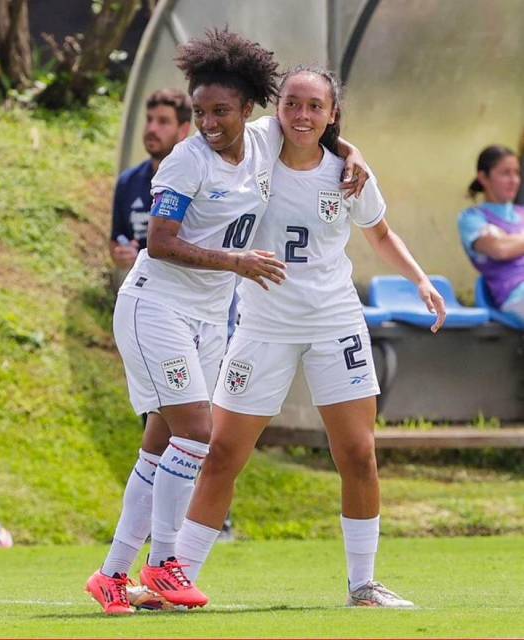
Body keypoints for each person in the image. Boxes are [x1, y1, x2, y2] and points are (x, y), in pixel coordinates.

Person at [86, 30, 369, 616]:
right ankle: (164, 564)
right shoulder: (185, 162)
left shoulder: (263, 145)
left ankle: (113, 574)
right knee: (197, 431)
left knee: (161, 444)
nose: (209, 123)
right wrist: (235, 261)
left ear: (248, 110)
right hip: (156, 306)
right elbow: (160, 244)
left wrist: (355, 153)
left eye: (220, 111)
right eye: (199, 112)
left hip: (210, 318)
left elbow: (316, 129)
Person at [173, 65, 447, 609]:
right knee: (223, 452)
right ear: (276, 110)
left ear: (331, 114)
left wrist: (419, 279)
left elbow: (381, 233)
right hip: (262, 325)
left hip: (334, 322)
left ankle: (363, 586)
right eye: (292, 104)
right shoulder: (254, 150)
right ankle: (175, 579)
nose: (302, 115)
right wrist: (354, 147)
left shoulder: (347, 175)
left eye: (315, 107)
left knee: (358, 453)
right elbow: (216, 134)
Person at [109, 88, 192, 292]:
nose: (152, 128)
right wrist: (120, 255)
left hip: (187, 298)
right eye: (149, 119)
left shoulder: (197, 181)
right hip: (141, 295)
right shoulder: (128, 181)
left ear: (183, 130)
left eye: (163, 121)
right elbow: (116, 238)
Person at [458, 145, 524, 322]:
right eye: (505, 173)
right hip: (515, 295)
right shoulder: (472, 218)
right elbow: (499, 249)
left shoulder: (522, 213)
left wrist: (512, 242)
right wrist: (507, 243)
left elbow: (505, 245)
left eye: (516, 173)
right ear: (483, 177)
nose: (514, 180)